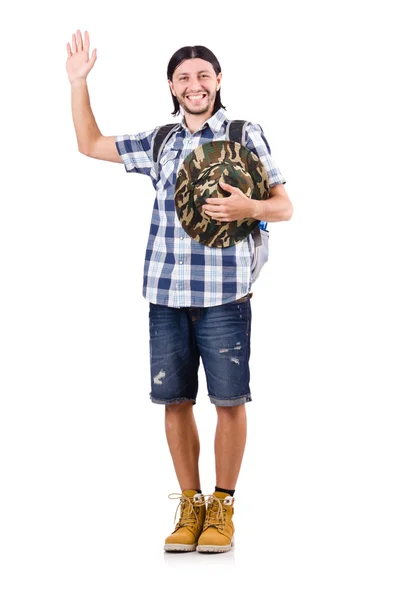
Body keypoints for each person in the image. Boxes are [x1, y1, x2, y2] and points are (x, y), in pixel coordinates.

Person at [66, 29, 293, 554]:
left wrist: (250, 208)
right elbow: (89, 143)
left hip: (225, 296)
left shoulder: (244, 133)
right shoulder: (161, 141)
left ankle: (223, 509)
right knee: (174, 401)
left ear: (218, 81)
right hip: (164, 293)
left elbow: (284, 205)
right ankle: (191, 507)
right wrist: (78, 82)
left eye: (204, 76)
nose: (195, 85)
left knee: (229, 400)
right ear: (172, 86)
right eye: (185, 77)